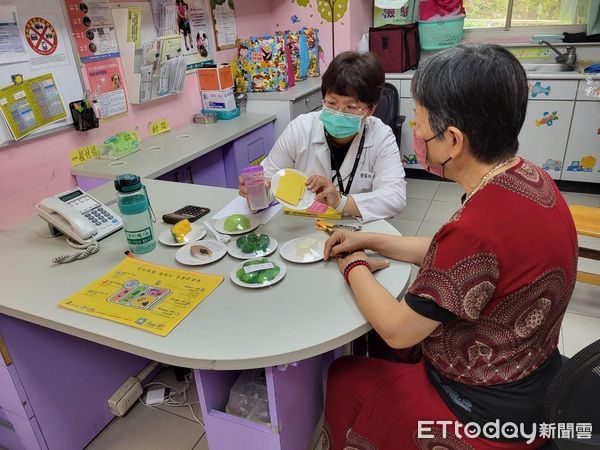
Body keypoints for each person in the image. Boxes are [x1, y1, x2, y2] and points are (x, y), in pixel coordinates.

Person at [321, 44, 577, 449]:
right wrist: (371, 239)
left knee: (345, 374)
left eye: (420, 126)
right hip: (533, 379)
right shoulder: (530, 178)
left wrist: (353, 263)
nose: (417, 136)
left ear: (453, 140)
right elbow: (458, 257)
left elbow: (397, 331)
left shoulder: (476, 230)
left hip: (482, 411)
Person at [238, 51, 407, 223]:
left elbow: (395, 197)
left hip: (354, 226)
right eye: (332, 102)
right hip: (304, 227)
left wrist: (341, 202)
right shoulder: (301, 129)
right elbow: (269, 179)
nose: (339, 113)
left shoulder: (381, 136)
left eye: (351, 107)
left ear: (370, 110)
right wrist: (257, 190)